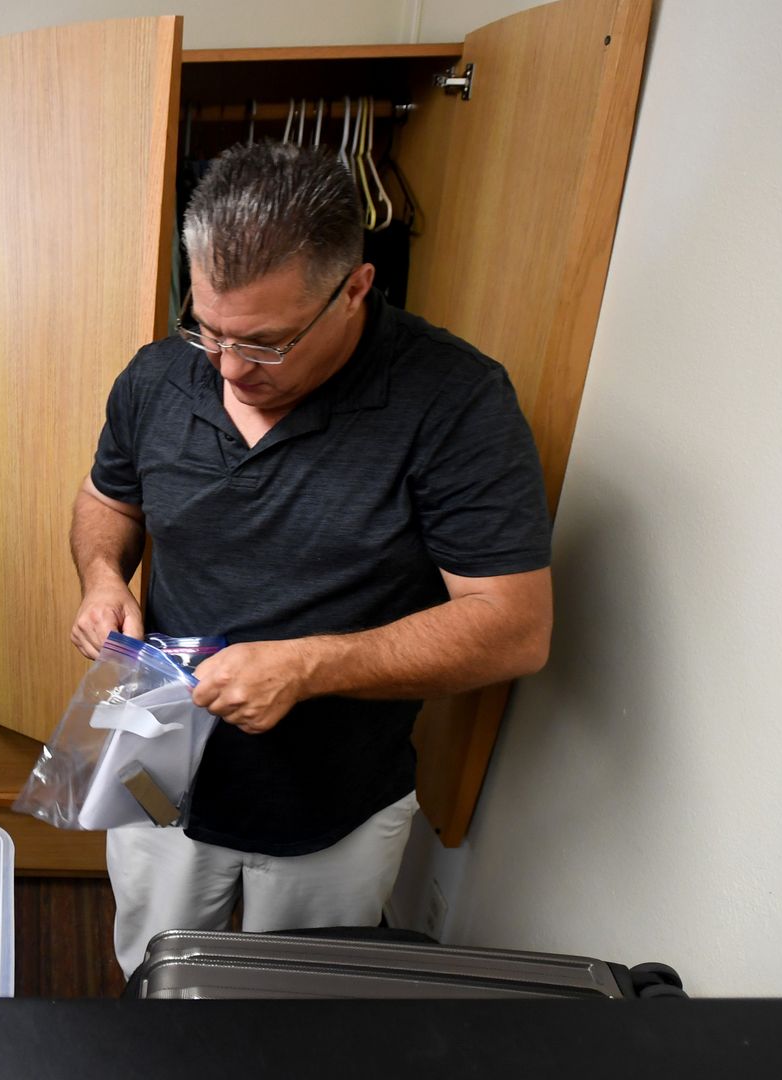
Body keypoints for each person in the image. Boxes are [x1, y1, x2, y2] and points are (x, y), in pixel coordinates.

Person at [69, 143, 553, 976]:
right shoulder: (158, 376)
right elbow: (107, 501)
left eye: (264, 344)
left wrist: (311, 665)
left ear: (354, 289)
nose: (226, 368)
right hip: (158, 770)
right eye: (209, 330)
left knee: (297, 1020)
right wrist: (104, 578)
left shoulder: (455, 402)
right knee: (152, 983)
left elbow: (514, 630)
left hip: (335, 803)